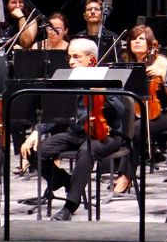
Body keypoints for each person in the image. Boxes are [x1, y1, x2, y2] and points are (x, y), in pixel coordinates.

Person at [18, 37, 127, 221]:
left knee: (87, 151)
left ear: (91, 59)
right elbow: (55, 112)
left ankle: (70, 206)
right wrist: (36, 132)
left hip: (105, 136)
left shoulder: (108, 78)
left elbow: (119, 110)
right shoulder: (68, 79)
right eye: (70, 57)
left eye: (76, 57)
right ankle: (66, 181)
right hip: (76, 133)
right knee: (33, 149)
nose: (71, 62)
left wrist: (100, 90)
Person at [117, 25, 167, 193]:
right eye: (133, 38)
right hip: (135, 112)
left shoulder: (160, 61)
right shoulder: (127, 61)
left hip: (161, 114)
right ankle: (125, 173)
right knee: (122, 127)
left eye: (141, 38)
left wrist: (162, 75)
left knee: (136, 130)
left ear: (150, 42)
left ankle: (125, 176)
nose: (137, 42)